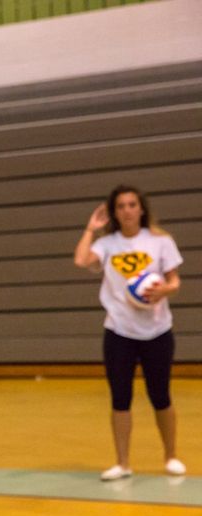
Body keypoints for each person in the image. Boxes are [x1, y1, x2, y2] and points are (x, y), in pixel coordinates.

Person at [74, 185, 185, 481]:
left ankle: (171, 456)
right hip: (119, 332)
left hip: (157, 331)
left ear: (142, 209)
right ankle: (122, 463)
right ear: (115, 212)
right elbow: (81, 261)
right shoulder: (107, 243)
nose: (127, 210)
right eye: (120, 206)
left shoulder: (160, 241)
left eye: (132, 204)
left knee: (160, 394)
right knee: (120, 397)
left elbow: (175, 281)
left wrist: (164, 290)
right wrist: (90, 228)